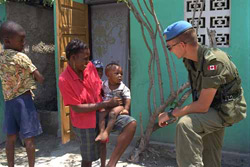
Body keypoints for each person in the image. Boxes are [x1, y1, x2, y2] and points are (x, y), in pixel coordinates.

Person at [158, 20, 247, 167]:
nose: (170, 51)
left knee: (186, 125)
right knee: (210, 156)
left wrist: (172, 113)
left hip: (227, 110)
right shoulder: (191, 60)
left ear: (182, 45)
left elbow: (202, 106)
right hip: (213, 107)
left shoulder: (213, 61)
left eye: (169, 47)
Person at [58, 39, 136, 167]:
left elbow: (100, 87)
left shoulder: (89, 67)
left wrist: (115, 97)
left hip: (103, 113)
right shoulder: (64, 80)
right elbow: (77, 108)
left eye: (88, 58)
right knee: (89, 157)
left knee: (130, 124)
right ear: (73, 58)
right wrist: (105, 104)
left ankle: (111, 164)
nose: (88, 62)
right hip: (85, 122)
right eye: (84, 58)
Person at [0, 21, 44, 167]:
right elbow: (40, 78)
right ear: (7, 41)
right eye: (21, 40)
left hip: (9, 102)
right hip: (24, 102)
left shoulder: (0, 58)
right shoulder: (21, 57)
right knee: (29, 138)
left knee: (10, 138)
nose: (24, 43)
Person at [95, 63, 131, 143]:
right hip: (107, 105)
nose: (120, 76)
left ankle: (106, 132)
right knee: (101, 114)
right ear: (108, 75)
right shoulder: (104, 84)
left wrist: (126, 109)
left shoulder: (123, 87)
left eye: (121, 74)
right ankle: (101, 132)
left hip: (118, 106)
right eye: (116, 73)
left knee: (113, 113)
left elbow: (127, 98)